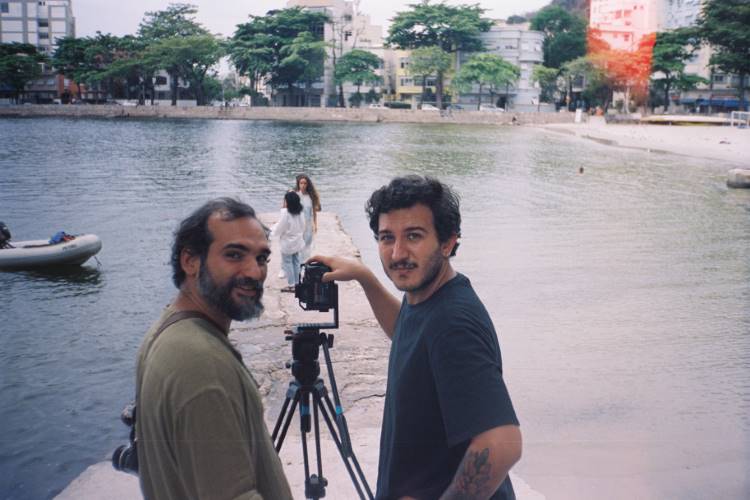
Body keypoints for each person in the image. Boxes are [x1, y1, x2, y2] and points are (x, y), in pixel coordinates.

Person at [313, 176, 522, 499]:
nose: (397, 253)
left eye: (413, 236)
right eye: (386, 238)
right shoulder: (425, 298)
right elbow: (407, 334)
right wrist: (365, 277)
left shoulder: (453, 323)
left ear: (447, 243)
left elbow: (502, 444)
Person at [135, 197, 293, 500]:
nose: (254, 272)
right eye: (234, 255)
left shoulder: (166, 332)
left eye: (261, 259)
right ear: (190, 261)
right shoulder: (199, 362)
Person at [271, 191, 306, 292]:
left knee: (287, 263)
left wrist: (272, 232)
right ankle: (297, 283)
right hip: (297, 240)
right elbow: (303, 226)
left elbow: (280, 227)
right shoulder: (300, 212)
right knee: (296, 261)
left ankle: (291, 285)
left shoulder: (285, 213)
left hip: (287, 242)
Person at [295, 174, 321, 261]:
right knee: (298, 245)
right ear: (298, 184)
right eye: (301, 183)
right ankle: (297, 264)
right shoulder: (296, 196)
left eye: (305, 183)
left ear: (307, 184)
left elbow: (314, 212)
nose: (303, 185)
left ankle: (305, 263)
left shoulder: (311, 197)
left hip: (308, 224)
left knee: (308, 244)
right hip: (298, 224)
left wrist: (315, 225)